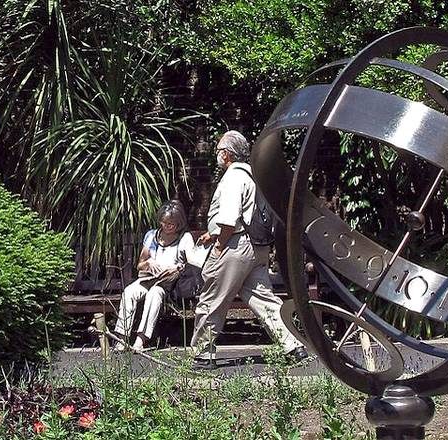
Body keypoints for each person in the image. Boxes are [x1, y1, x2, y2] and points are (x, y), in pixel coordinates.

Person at [191, 130, 306, 369]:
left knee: (213, 298)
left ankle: (203, 354)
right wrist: (213, 234)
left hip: (234, 246)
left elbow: (229, 219)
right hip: (256, 247)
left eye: (219, 151)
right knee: (264, 298)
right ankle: (293, 345)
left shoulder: (233, 178)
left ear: (227, 155)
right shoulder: (254, 176)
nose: (217, 155)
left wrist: (219, 245)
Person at [112, 200, 194, 351]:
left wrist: (176, 267)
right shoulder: (151, 236)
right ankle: (121, 338)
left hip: (168, 284)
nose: (167, 227)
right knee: (129, 292)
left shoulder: (185, 238)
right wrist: (149, 264)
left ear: (179, 223)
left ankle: (141, 339)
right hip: (148, 278)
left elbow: (191, 264)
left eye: (171, 224)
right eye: (164, 223)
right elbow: (140, 265)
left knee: (154, 295)